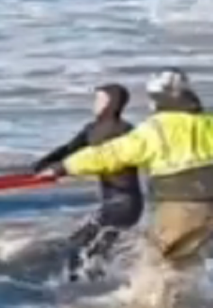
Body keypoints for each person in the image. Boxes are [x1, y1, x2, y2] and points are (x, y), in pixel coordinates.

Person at [40, 68, 213, 272]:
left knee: (156, 265)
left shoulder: (157, 128)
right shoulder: (207, 123)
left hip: (180, 205)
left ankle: (148, 303)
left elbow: (111, 154)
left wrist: (63, 167)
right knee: (188, 262)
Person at [31, 83, 142, 281]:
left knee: (82, 244)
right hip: (112, 202)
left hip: (126, 203)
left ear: (112, 103)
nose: (95, 104)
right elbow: (69, 149)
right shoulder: (92, 129)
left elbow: (100, 159)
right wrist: (41, 166)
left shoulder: (126, 131)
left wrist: (60, 170)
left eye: (99, 100)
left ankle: (87, 285)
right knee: (89, 246)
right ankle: (102, 282)